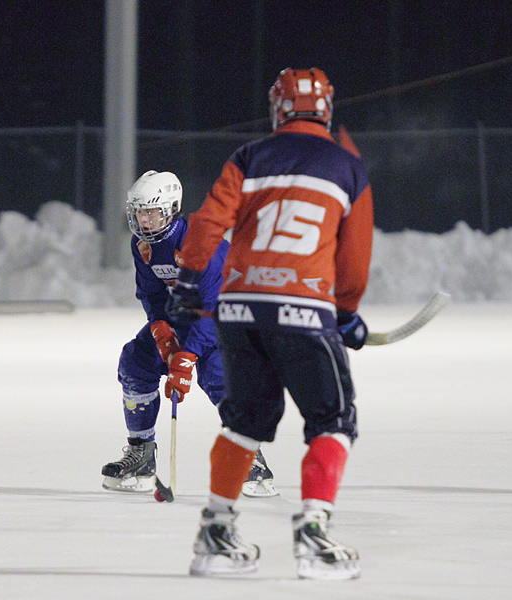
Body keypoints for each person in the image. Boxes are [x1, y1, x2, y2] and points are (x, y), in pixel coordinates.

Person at [167, 67, 373, 580]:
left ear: (277, 108)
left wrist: (190, 283)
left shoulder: (249, 156)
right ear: (326, 108)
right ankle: (314, 534)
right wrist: (345, 311)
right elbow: (354, 257)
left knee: (245, 421)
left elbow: (208, 223)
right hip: (302, 310)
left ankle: (215, 532)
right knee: (333, 420)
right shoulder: (348, 167)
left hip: (237, 309)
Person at [101, 169, 277, 498]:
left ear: (170, 210)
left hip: (229, 317)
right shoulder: (143, 246)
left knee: (220, 380)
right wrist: (160, 330)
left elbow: (214, 308)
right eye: (140, 212)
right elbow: (152, 294)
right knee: (136, 362)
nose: (144, 220)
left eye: (152, 212)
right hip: (185, 315)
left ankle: (251, 457)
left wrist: (186, 358)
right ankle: (141, 453)